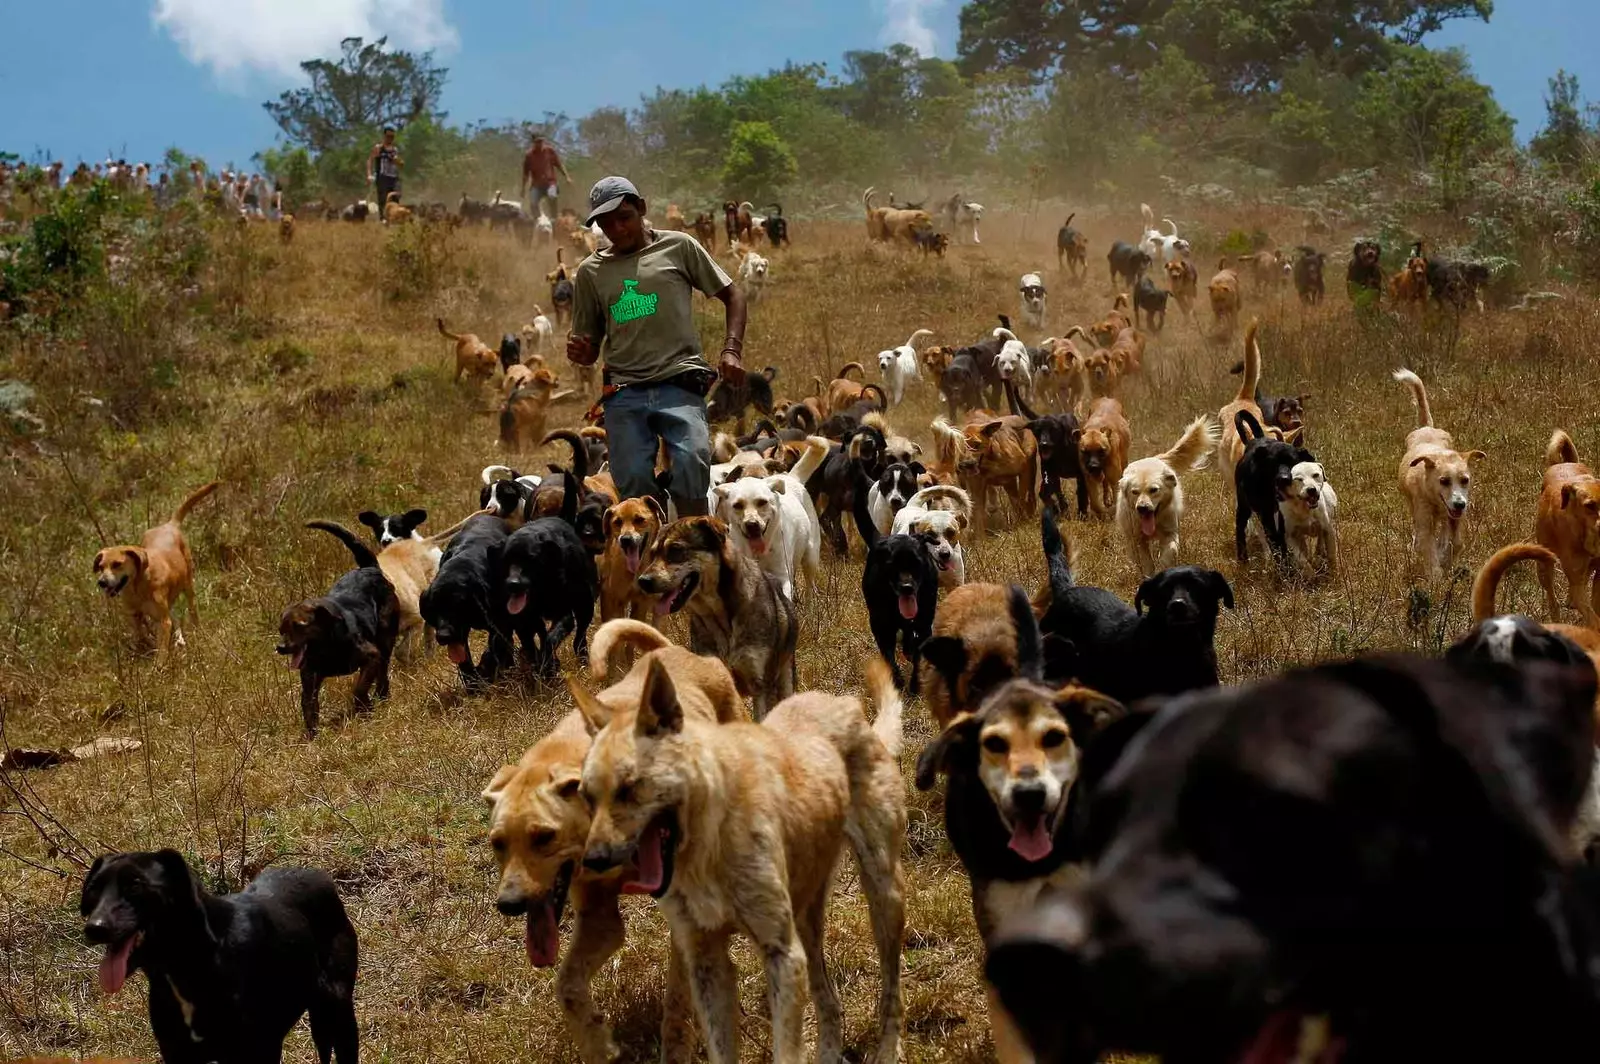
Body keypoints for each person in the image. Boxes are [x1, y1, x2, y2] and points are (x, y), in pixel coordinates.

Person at [567, 176, 746, 518]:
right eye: (605, 222)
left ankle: (694, 538)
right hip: (625, 391)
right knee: (632, 479)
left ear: (642, 209)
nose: (616, 229)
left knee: (693, 462)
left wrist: (731, 350)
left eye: (624, 217)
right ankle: (654, 550)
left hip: (679, 381)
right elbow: (589, 346)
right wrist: (581, 353)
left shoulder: (678, 246)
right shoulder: (591, 272)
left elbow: (733, 294)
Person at [520, 135, 570, 219]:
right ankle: (538, 220)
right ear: (533, 143)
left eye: (541, 141)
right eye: (537, 142)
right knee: (533, 203)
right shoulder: (529, 156)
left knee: (552, 196)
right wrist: (523, 188)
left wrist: (567, 177)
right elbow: (525, 174)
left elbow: (559, 165)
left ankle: (554, 218)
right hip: (536, 185)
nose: (540, 144)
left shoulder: (549, 151)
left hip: (550, 183)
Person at [367, 127, 403, 222]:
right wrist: (369, 174)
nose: (390, 139)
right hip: (382, 177)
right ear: (384, 136)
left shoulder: (395, 149)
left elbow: (401, 164)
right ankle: (383, 220)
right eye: (388, 136)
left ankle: (395, 218)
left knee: (396, 197)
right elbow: (370, 160)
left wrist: (397, 161)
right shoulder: (379, 148)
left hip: (394, 177)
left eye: (392, 137)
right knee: (383, 199)